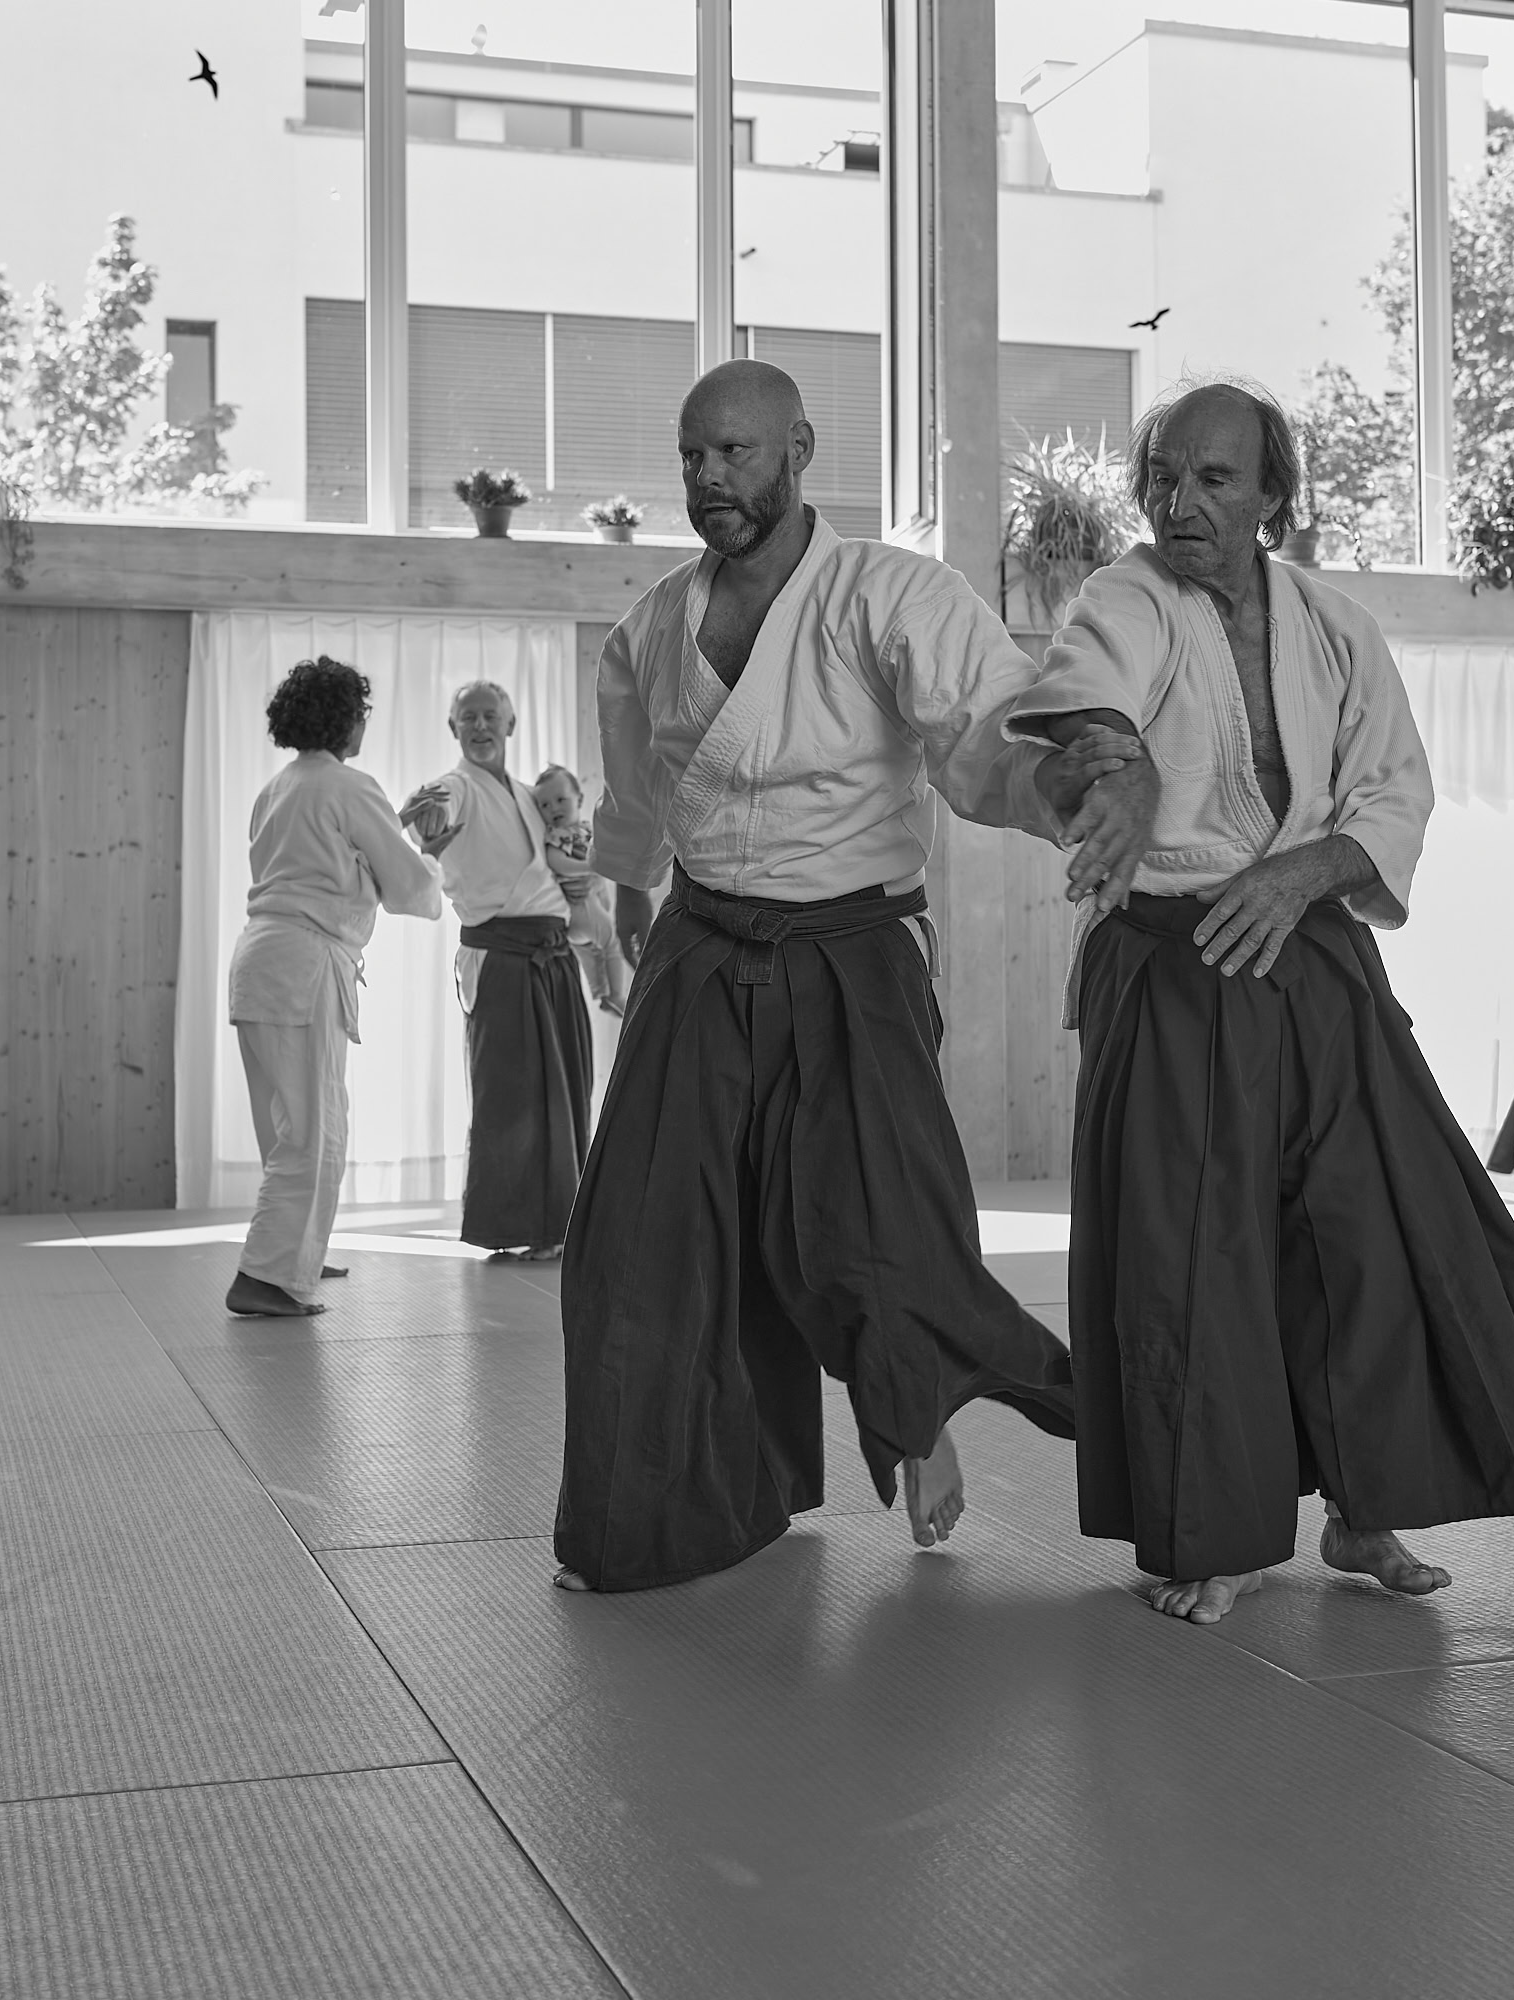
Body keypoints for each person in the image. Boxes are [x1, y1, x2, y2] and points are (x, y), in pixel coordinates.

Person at [1005, 381, 1514, 1625]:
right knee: (1193, 1257)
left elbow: (1393, 789)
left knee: (1369, 1235)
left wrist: (1302, 871)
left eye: (1212, 479)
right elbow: (1087, 693)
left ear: (1271, 495)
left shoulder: (1332, 626)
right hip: (1173, 960)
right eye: (1162, 477)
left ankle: (1361, 1505)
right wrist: (1116, 767)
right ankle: (1218, 1533)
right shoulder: (1123, 598)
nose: (1178, 502)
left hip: (1312, 956)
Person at [552, 359, 1139, 1592]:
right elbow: (636, 794)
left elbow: (987, 741)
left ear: (800, 449)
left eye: (735, 451)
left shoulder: (889, 593)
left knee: (875, 1233)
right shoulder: (649, 627)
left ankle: (927, 1420)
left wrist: (1062, 781)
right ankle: (664, 1515)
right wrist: (621, 911)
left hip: (850, 945)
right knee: (637, 1235)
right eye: (692, 455)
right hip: (701, 941)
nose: (710, 476)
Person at [225, 656, 443, 1316]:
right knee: (314, 1130)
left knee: (283, 1126)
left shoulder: (278, 788)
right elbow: (407, 888)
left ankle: (295, 1253)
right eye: (361, 714)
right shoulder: (349, 786)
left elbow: (318, 862)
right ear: (346, 718)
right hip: (304, 966)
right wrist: (429, 854)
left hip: (259, 960)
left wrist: (392, 825)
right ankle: (265, 1278)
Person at [401, 683, 594, 1261]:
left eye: (490, 716)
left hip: (553, 954)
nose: (480, 726)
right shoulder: (457, 787)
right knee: (510, 1096)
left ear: (510, 725)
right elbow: (433, 809)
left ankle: (560, 1224)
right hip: (503, 957)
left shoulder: (530, 795)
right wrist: (426, 819)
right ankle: (514, 1224)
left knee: (566, 1089)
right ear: (453, 728)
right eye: (468, 718)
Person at [532, 764, 632, 1016]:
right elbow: (556, 861)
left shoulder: (585, 830)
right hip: (580, 908)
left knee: (591, 954)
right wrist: (589, 867)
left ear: (579, 799)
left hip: (586, 913)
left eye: (560, 800)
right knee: (611, 942)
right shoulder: (558, 835)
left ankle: (601, 993)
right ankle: (617, 994)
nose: (553, 808)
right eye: (544, 805)